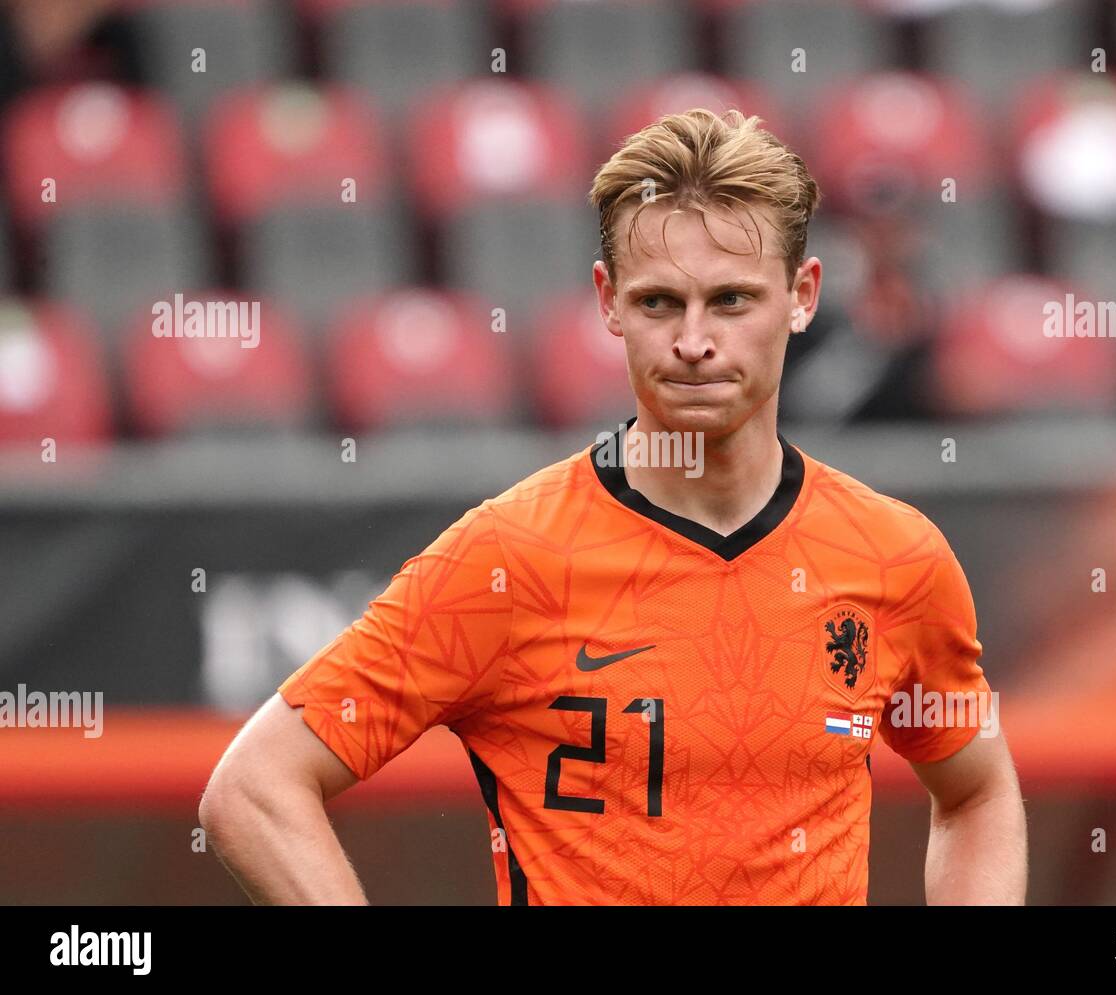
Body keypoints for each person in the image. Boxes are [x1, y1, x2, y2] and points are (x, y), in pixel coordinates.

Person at [199, 108, 1027, 906]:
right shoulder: (509, 557)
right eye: (659, 301)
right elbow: (255, 788)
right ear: (607, 300)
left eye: (733, 300)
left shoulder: (896, 559)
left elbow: (977, 791)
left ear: (803, 294)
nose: (695, 340)